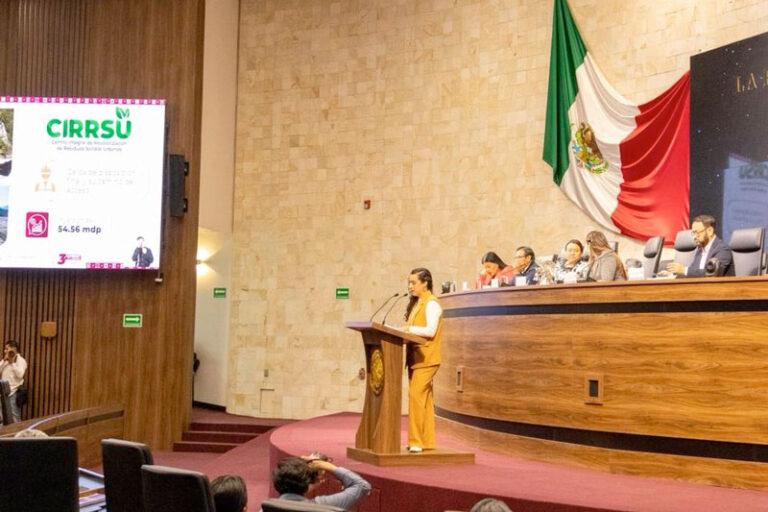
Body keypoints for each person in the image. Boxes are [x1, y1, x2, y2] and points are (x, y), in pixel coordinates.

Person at [403, 268, 443, 453]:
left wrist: (408, 329)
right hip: (416, 358)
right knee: (423, 399)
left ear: (425, 283)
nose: (410, 286)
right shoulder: (418, 303)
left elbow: (430, 331)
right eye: (409, 283)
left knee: (416, 397)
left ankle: (416, 441)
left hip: (427, 358)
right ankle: (426, 441)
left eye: (414, 282)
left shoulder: (432, 303)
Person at [269, 455, 371, 510]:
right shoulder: (323, 506)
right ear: (309, 484)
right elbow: (362, 486)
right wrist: (327, 466)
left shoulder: (266, 508)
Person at [665, 214, 734, 277]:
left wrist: (684, 270)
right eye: (693, 233)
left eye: (697, 232)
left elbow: (712, 273)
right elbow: (693, 271)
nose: (694, 237)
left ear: (710, 231)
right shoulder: (700, 250)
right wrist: (673, 273)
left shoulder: (722, 249)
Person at [0, 340, 27, 423]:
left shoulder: (21, 360)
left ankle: (17, 431)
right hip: (3, 391)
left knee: (14, 416)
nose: (5, 351)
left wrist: (12, 363)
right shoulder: (5, 360)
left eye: (7, 349)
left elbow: (20, 375)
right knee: (1, 416)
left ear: (14, 349)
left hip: (14, 392)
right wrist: (4, 360)